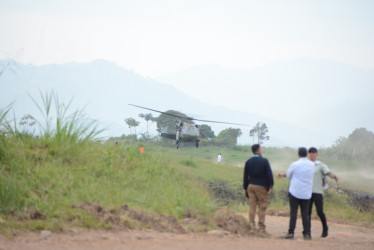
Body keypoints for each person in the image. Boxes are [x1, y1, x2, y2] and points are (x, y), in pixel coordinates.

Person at [277, 147, 315, 240]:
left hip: (294, 192)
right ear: (306, 154)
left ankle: (291, 233)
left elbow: (289, 175)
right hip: (306, 193)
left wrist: (283, 175)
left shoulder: (295, 164)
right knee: (305, 214)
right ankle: (306, 234)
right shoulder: (312, 165)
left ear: (298, 154)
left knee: (293, 213)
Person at [243, 144, 274, 236]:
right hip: (261, 187)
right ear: (259, 150)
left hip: (251, 186)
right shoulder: (264, 161)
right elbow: (269, 174)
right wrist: (270, 186)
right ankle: (261, 228)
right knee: (262, 206)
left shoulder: (248, 161)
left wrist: (245, 188)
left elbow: (245, 177)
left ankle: (251, 228)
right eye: (261, 148)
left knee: (252, 206)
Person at [308, 147, 338, 238]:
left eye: (313, 152)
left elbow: (328, 172)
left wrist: (334, 176)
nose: (312, 154)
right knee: (307, 213)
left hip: (318, 192)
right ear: (308, 154)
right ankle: (307, 232)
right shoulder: (306, 165)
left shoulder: (321, 165)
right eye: (310, 152)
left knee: (319, 211)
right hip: (307, 192)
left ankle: (325, 228)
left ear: (316, 154)